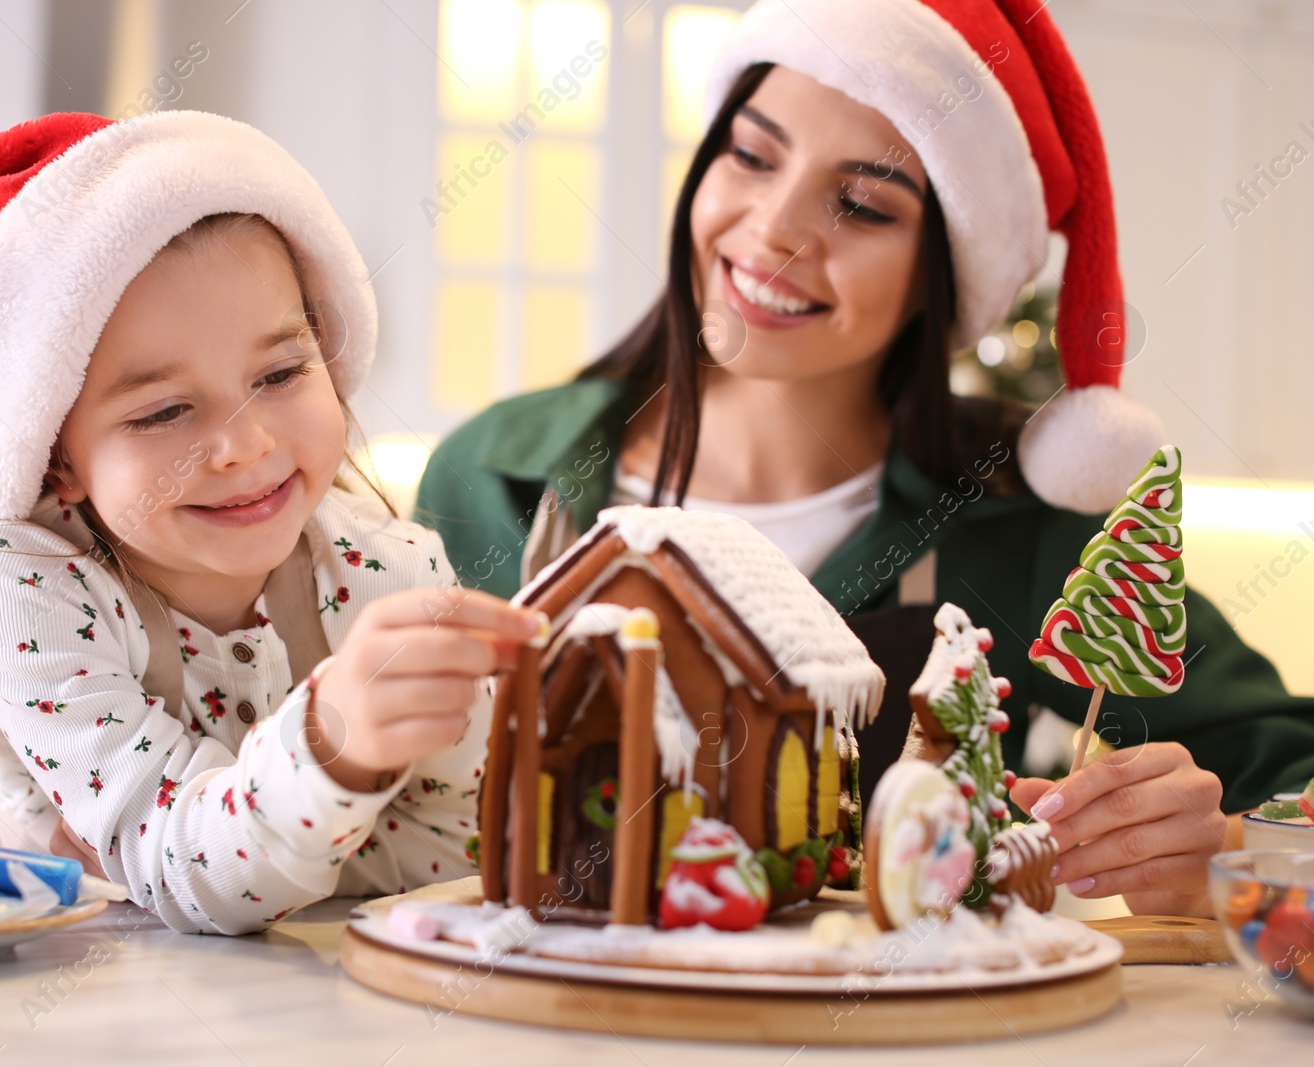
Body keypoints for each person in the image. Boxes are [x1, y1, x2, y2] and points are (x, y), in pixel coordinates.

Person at [414, 0, 1314, 919]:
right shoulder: (492, 481)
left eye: (861, 205)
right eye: (753, 154)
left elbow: (1294, 777)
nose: (773, 230)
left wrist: (1222, 847)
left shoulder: (1020, 523)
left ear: (943, 274)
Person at [0, 111, 540, 934]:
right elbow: (187, 874)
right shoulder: (18, 586)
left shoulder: (392, 571)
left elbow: (476, 849)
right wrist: (334, 747)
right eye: (165, 411)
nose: (245, 443)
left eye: (278, 372)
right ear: (54, 459)